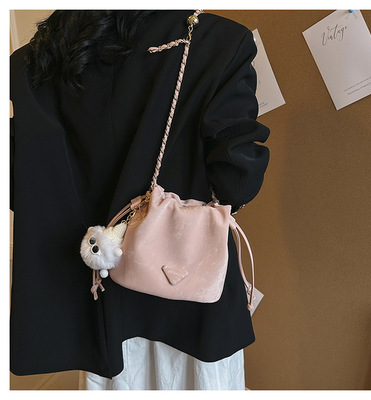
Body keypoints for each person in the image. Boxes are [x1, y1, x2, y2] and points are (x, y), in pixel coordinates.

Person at [10, 10, 270, 390]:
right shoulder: (217, 40)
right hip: (189, 291)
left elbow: (23, 181)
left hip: (98, 302)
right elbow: (237, 182)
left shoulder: (38, 60)